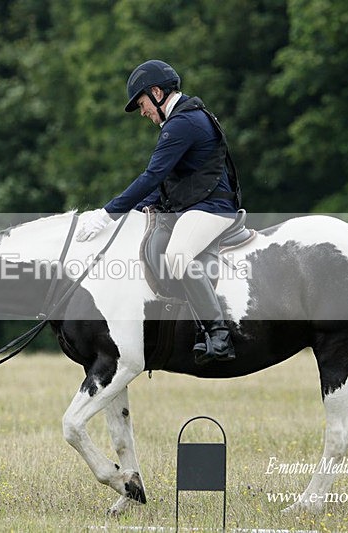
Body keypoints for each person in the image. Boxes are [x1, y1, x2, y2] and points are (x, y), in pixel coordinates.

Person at [76, 59, 241, 365]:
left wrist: (108, 213)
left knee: (178, 256)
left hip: (212, 209)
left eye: (142, 104)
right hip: (196, 207)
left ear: (156, 92)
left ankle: (218, 335)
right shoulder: (183, 120)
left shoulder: (183, 124)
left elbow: (151, 175)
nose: (143, 113)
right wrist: (133, 211)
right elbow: (163, 184)